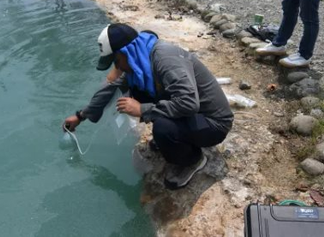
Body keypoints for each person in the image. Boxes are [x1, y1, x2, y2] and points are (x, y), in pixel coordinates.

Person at [63, 23, 233, 190]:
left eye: (116, 61)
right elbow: (110, 88)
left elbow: (189, 103)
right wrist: (81, 116)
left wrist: (142, 110)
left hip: (213, 123)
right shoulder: (138, 62)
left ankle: (192, 160)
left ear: (125, 52)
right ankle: (178, 138)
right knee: (137, 91)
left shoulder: (164, 59)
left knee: (162, 127)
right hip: (194, 116)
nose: (117, 67)